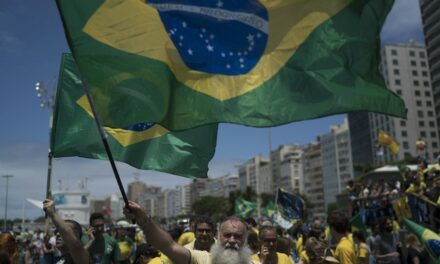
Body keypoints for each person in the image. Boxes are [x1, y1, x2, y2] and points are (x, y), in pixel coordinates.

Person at [123, 200, 259, 264]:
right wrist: (144, 220)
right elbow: (169, 246)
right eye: (227, 235)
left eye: (237, 236)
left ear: (245, 240)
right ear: (219, 236)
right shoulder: (205, 259)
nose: (231, 240)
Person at [43, 199, 89, 264]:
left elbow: (76, 245)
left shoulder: (82, 258)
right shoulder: (61, 261)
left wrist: (53, 214)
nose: (58, 234)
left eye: (63, 232)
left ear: (77, 236)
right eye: (57, 231)